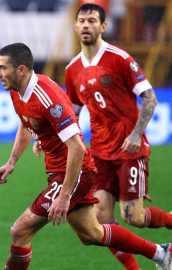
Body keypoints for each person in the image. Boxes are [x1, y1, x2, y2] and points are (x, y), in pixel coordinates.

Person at [0, 42, 172, 270]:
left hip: (72, 172)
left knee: (19, 231)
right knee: (92, 234)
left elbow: (77, 147)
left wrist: (66, 194)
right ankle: (161, 253)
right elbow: (26, 124)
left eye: (2, 68)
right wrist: (12, 161)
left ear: (20, 70)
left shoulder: (48, 97)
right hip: (63, 172)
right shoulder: (17, 91)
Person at [65, 3, 172, 269]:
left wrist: (137, 133)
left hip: (129, 149)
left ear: (103, 26)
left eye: (92, 20)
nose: (86, 25)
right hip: (99, 152)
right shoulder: (72, 69)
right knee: (101, 218)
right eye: (82, 20)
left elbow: (149, 97)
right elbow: (72, 115)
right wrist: (48, 141)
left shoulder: (119, 58)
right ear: (76, 26)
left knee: (132, 217)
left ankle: (167, 240)